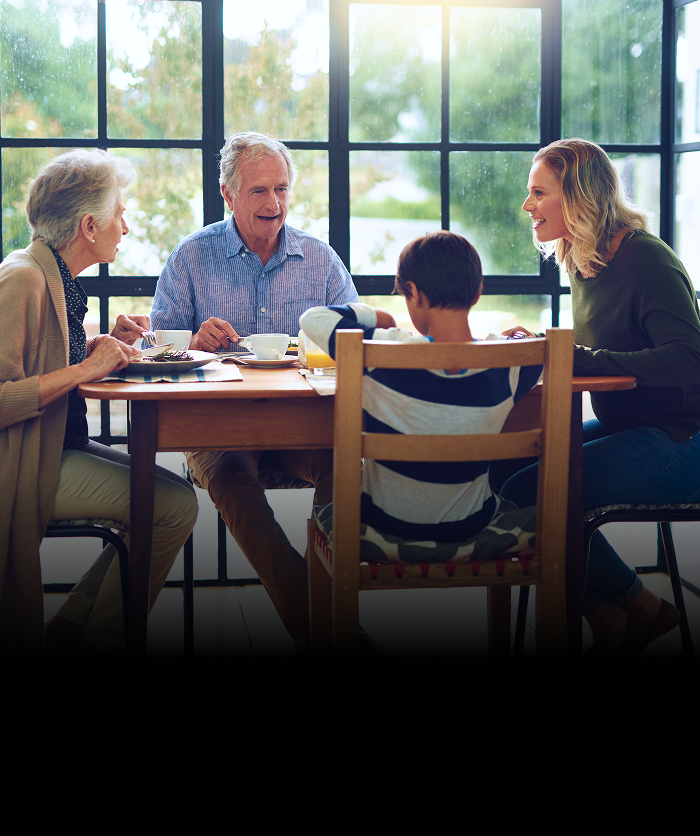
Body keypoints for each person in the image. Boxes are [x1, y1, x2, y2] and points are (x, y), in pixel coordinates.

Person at [150, 132, 358, 652]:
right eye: (260, 191)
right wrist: (194, 343)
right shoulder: (191, 258)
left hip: (302, 424)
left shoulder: (320, 259)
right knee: (229, 476)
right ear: (228, 193)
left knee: (345, 466)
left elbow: (357, 341)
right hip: (216, 427)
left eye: (282, 189)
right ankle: (321, 626)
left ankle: (320, 622)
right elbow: (159, 348)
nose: (274, 204)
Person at [500, 137, 696, 655]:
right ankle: (617, 617)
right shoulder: (582, 257)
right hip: (626, 425)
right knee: (498, 470)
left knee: (531, 495)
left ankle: (640, 607)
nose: (527, 206)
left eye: (538, 193)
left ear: (579, 198)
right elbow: (603, 346)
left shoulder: (646, 260)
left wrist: (575, 357)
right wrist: (551, 347)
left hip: (680, 438)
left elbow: (687, 358)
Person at [0, 149, 198, 655]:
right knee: (173, 506)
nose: (126, 226)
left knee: (172, 499)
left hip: (54, 450)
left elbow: (40, 359)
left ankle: (72, 630)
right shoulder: (21, 278)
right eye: (122, 212)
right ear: (90, 225)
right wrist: (87, 368)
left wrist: (97, 347)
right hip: (24, 467)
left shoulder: (51, 275)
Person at [300, 231, 543, 563]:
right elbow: (542, 351)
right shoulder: (510, 366)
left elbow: (313, 319)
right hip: (471, 526)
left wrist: (378, 317)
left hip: (383, 523)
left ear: (412, 292)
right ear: (477, 293)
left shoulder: (379, 351)